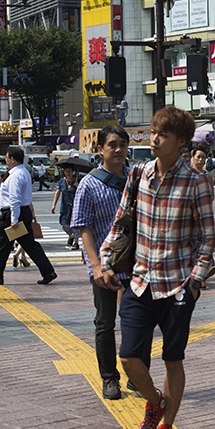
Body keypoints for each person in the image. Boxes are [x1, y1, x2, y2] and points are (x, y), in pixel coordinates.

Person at [98, 107, 215, 429]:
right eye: (153, 131)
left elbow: (209, 237)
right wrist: (104, 260)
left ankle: (166, 426)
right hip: (140, 282)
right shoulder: (138, 175)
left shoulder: (197, 181)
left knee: (172, 359)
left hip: (178, 287)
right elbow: (120, 225)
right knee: (128, 358)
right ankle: (155, 400)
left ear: (180, 141)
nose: (154, 138)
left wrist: (196, 279)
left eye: (162, 134)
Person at [72, 126, 153, 401]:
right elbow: (83, 228)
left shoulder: (137, 179)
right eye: (112, 145)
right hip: (105, 265)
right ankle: (109, 378)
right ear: (100, 150)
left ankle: (138, 378)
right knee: (105, 323)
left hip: (138, 263)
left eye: (123, 144)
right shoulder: (89, 184)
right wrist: (96, 266)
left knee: (141, 322)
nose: (119, 149)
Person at [0, 147, 57, 286]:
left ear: (12, 159)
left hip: (13, 213)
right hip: (22, 211)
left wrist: (14, 219)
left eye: (7, 157)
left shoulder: (15, 175)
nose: (6, 160)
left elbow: (14, 198)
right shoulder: (23, 172)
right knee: (29, 244)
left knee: (2, 245)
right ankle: (48, 271)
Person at [51, 166, 80, 250]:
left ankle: (76, 242)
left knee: (75, 225)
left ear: (73, 171)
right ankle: (71, 235)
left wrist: (78, 186)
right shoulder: (62, 181)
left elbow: (83, 193)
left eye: (69, 171)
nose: (68, 173)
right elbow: (57, 193)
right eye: (66, 171)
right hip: (65, 206)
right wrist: (54, 205)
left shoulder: (77, 181)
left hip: (75, 206)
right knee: (64, 224)